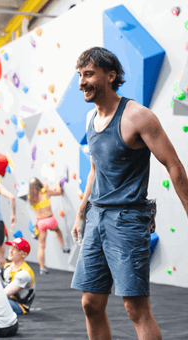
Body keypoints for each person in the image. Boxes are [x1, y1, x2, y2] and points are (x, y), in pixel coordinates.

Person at [71, 47, 188, 340]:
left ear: (110, 76)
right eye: (79, 75)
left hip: (128, 219)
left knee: (135, 308)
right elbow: (95, 170)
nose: (81, 82)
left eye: (88, 74)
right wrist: (81, 211)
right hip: (96, 217)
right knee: (90, 304)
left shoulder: (138, 116)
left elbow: (174, 166)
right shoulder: (90, 119)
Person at [28, 178, 70, 275]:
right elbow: (58, 192)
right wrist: (57, 184)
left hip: (40, 223)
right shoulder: (45, 192)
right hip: (50, 220)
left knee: (41, 246)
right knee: (57, 231)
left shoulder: (30, 197)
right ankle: (63, 246)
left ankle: (42, 268)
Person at [0, 237, 36, 315]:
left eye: (15, 249)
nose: (10, 251)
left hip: (19, 305)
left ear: (24, 254)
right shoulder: (7, 267)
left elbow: (2, 295)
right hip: (8, 299)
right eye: (10, 248)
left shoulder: (24, 273)